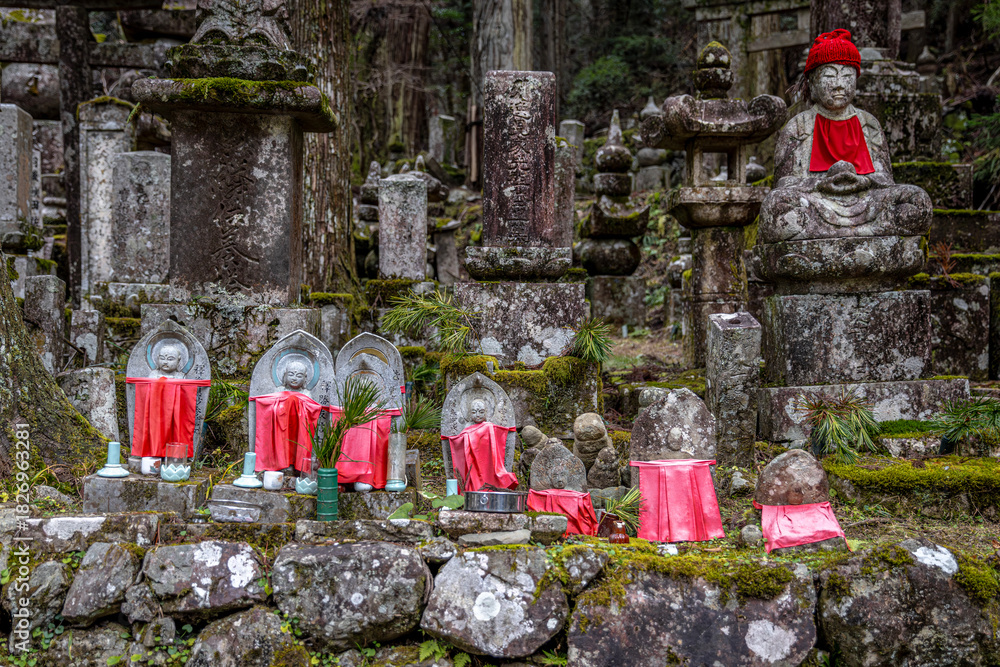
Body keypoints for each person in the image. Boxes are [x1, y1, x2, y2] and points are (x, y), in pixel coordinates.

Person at [759, 29, 931, 244]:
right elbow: (784, 184)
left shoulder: (869, 124)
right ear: (812, 83)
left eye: (847, 76)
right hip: (817, 203)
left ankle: (838, 232)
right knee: (775, 205)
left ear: (856, 82)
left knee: (917, 200)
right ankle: (864, 232)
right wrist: (822, 184)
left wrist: (861, 181)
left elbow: (885, 179)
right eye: (829, 76)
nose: (839, 84)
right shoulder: (798, 126)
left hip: (865, 201)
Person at [127, 340, 210, 459]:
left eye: (170, 359)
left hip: (175, 411)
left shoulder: (180, 376)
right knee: (154, 432)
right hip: (155, 412)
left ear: (179, 361)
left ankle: (174, 455)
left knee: (175, 431)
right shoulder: (153, 375)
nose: (165, 362)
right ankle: (153, 452)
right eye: (162, 358)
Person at [251, 359, 324, 473]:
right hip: (281, 425)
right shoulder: (279, 390)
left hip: (299, 427)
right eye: (291, 374)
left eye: (299, 376)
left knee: (299, 445)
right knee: (281, 445)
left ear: (305, 378)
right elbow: (271, 406)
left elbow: (310, 410)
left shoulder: (306, 393)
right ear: (285, 375)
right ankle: (281, 464)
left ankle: (299, 465)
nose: (294, 378)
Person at [443, 398, 518, 492]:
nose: (478, 415)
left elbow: (497, 435)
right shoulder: (468, 427)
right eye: (474, 412)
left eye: (481, 412)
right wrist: (452, 439)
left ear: (486, 412)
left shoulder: (489, 426)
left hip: (487, 458)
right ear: (469, 413)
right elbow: (460, 440)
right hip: (471, 458)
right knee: (472, 476)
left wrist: (508, 430)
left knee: (489, 474)